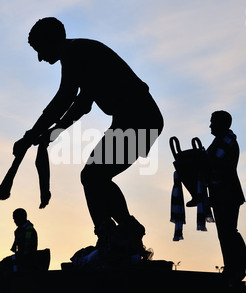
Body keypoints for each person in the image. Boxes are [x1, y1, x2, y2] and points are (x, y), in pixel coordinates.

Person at [14, 17, 164, 262]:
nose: (40, 58)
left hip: (138, 119)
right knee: (97, 176)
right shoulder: (78, 53)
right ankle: (126, 232)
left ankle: (110, 236)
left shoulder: (76, 53)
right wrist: (49, 134)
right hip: (134, 119)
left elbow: (64, 99)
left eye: (39, 49)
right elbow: (82, 103)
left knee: (93, 175)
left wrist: (31, 135)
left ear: (52, 40)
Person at [206, 110, 246, 285]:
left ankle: (241, 264)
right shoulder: (222, 141)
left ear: (222, 123)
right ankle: (234, 265)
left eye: (213, 122)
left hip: (227, 193)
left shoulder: (225, 142)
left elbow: (215, 165)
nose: (210, 125)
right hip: (223, 193)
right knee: (225, 232)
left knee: (228, 231)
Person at [0, 208, 39, 293]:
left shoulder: (29, 231)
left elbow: (26, 251)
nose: (14, 221)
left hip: (27, 261)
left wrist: (12, 258)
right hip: (21, 258)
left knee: (4, 265)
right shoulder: (20, 231)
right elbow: (16, 249)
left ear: (21, 217)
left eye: (15, 218)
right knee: (3, 265)